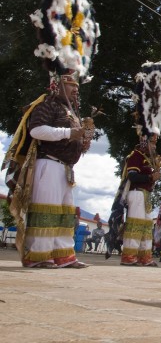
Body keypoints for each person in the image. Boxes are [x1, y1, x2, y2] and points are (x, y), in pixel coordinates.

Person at [18, 70, 91, 268]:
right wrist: (69, 132)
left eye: (77, 86)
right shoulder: (47, 104)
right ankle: (39, 255)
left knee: (64, 213)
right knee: (45, 210)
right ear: (57, 85)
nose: (76, 90)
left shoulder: (70, 111)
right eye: (71, 86)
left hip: (65, 168)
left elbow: (70, 136)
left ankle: (63, 256)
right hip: (48, 164)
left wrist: (82, 142)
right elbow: (36, 130)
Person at [119, 134, 161, 266]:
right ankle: (129, 256)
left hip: (145, 195)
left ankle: (145, 256)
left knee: (147, 226)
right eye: (152, 143)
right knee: (135, 224)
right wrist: (150, 177)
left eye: (155, 143)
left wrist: (152, 179)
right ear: (144, 142)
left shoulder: (146, 159)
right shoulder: (135, 156)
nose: (154, 146)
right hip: (136, 194)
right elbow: (132, 176)